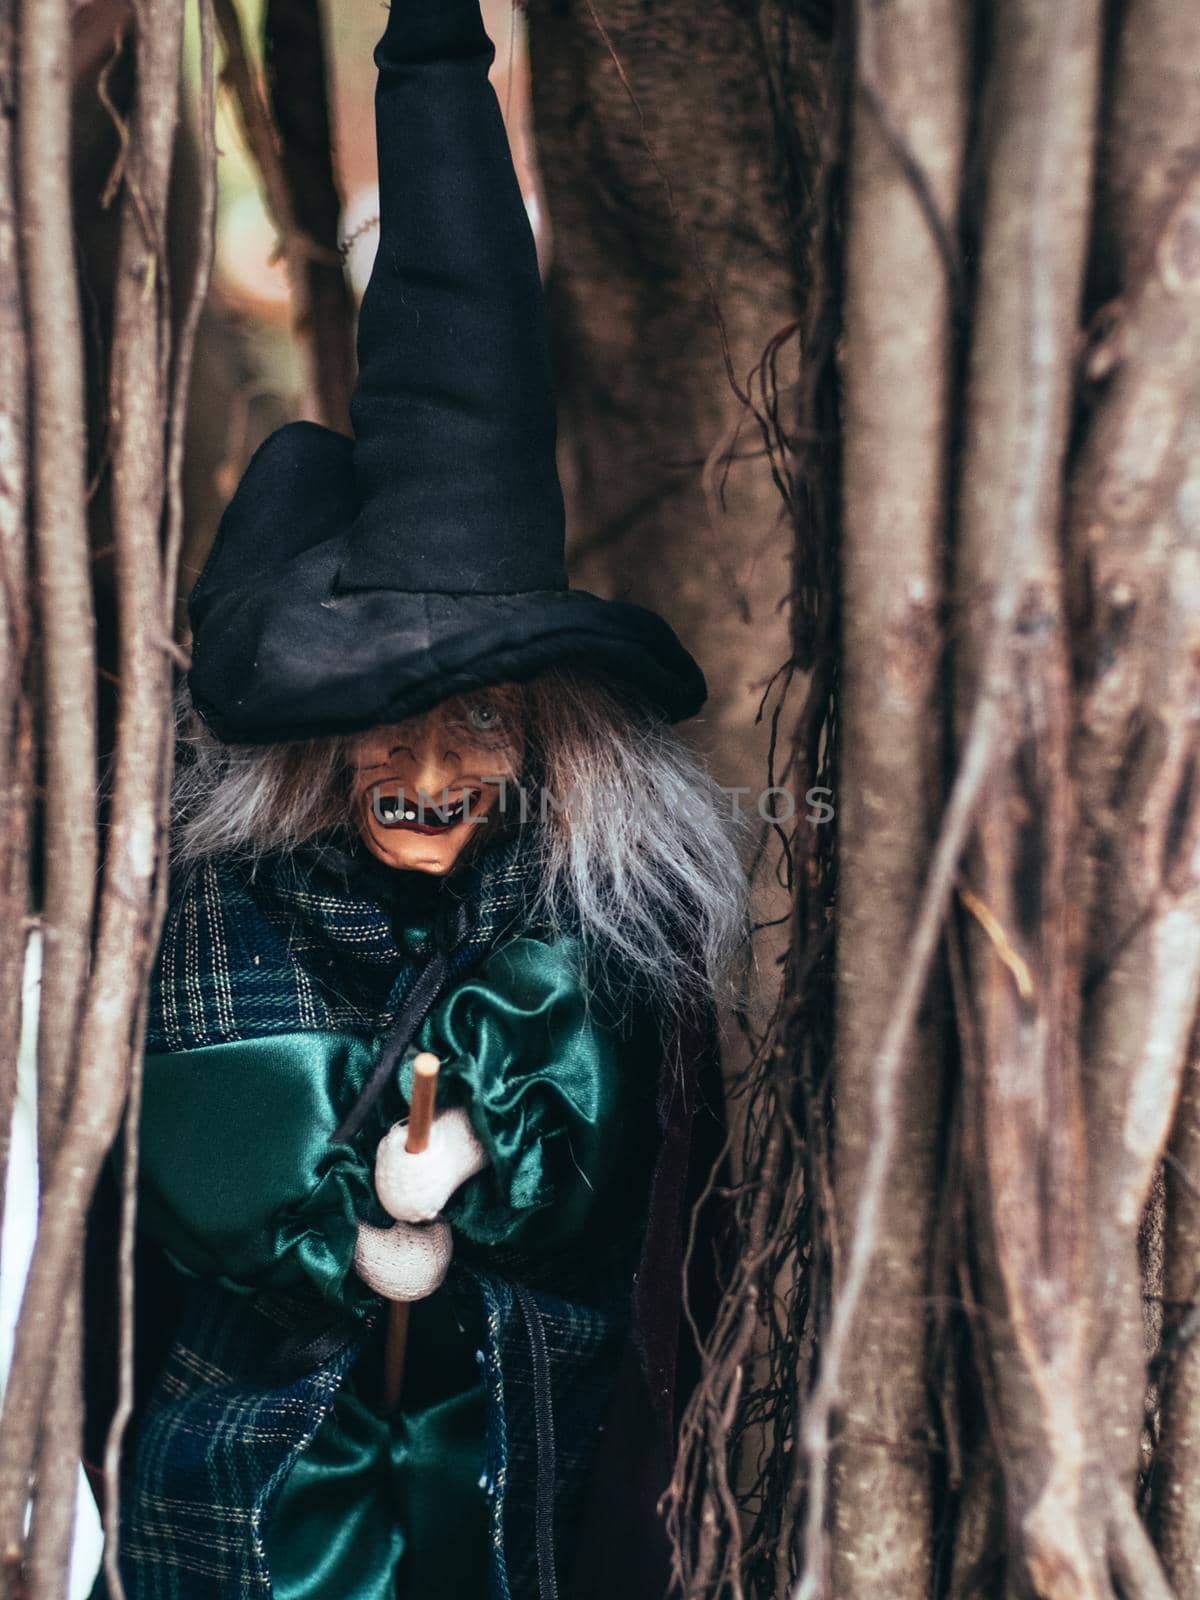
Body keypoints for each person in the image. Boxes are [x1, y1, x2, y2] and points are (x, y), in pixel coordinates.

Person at [88, 4, 746, 1596]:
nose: (433, 777)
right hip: (271, 1491)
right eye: (391, 733)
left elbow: (603, 1133)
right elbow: (211, 1131)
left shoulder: (576, 901)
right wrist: (346, 1215)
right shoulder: (232, 895)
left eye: (482, 728)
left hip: (525, 1462)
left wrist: (500, 1165)